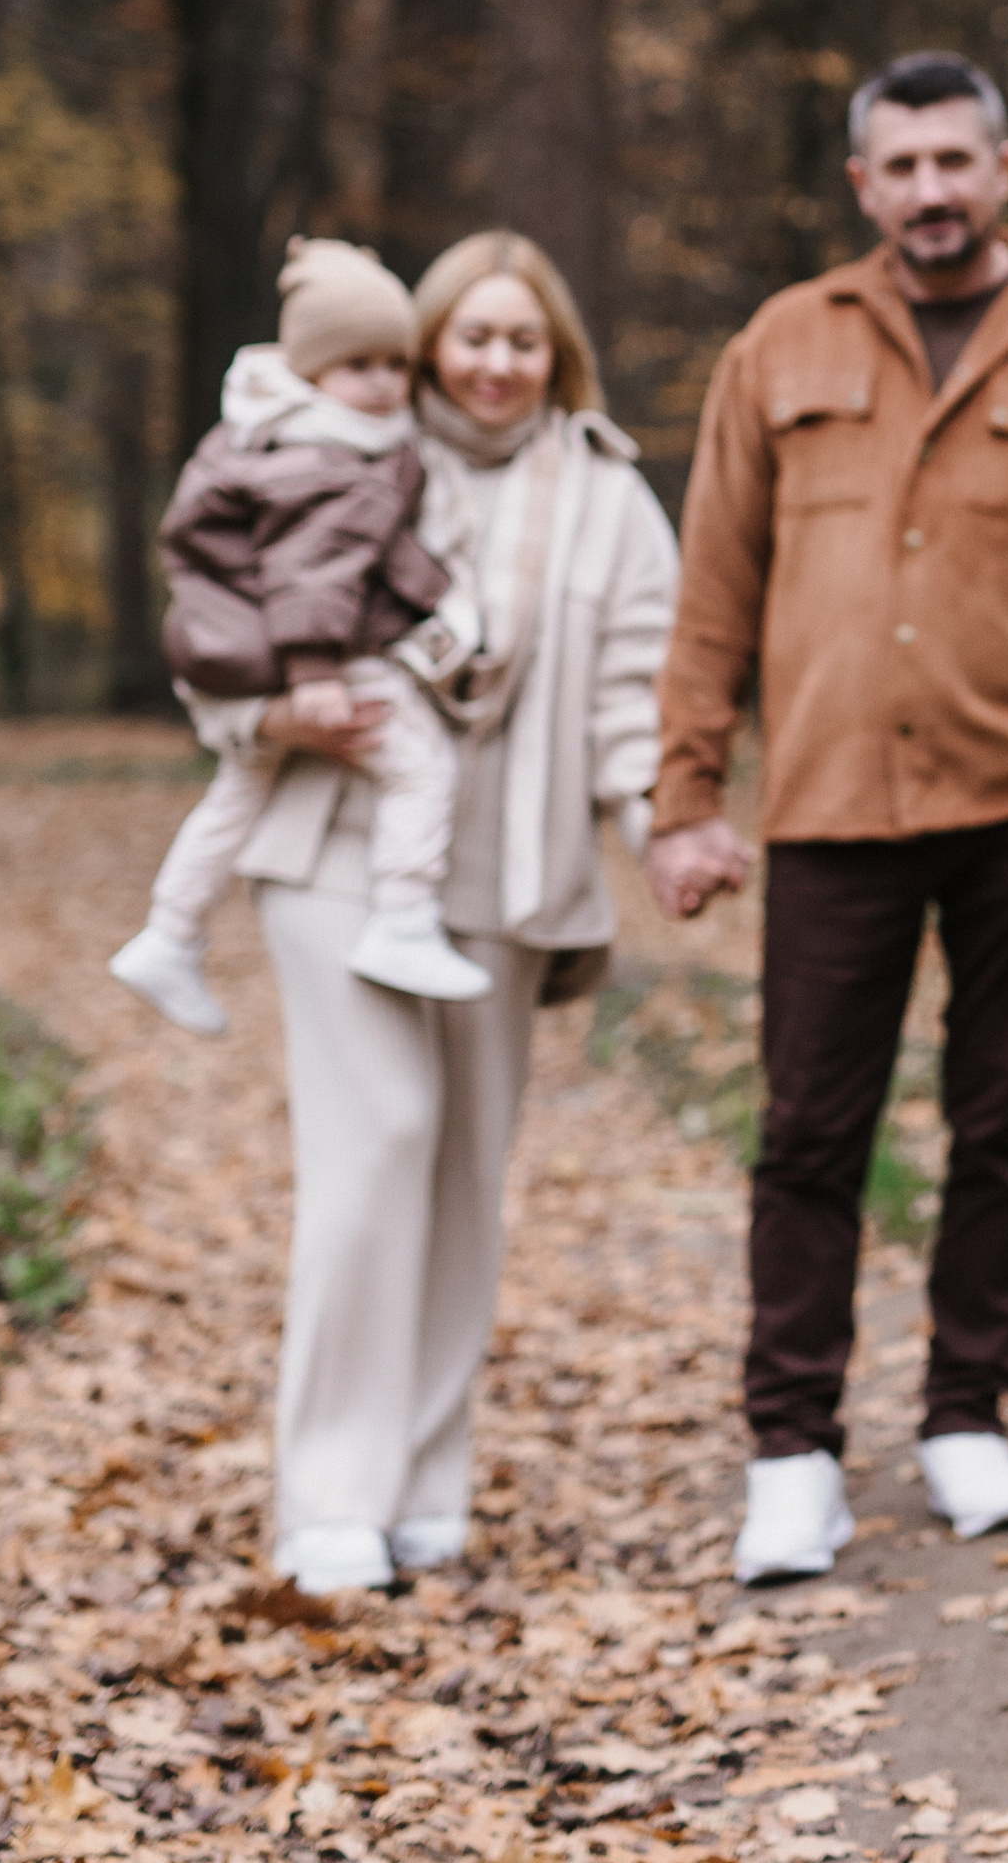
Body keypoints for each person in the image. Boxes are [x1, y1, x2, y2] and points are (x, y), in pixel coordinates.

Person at [647, 51, 1008, 1586]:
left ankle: (968, 1416)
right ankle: (793, 1453)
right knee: (808, 1134)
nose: (930, 190)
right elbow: (714, 589)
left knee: (1001, 1127)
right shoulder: (781, 345)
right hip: (833, 804)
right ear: (863, 185)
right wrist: (686, 792)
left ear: (1003, 169)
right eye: (900, 167)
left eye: (955, 161)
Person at [172, 228, 678, 1598]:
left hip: (510, 879)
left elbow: (636, 695)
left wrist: (662, 827)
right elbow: (212, 615)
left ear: (555, 352)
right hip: (338, 851)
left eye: (524, 339)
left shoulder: (610, 498)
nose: (496, 363)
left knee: (464, 1177)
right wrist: (272, 716)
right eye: (473, 336)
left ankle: (422, 1479)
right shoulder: (339, 444)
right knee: (380, 1139)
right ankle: (329, 1496)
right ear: (428, 344)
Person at [109, 238, 490, 1035]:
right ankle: (404, 917)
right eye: (359, 364)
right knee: (421, 766)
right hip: (327, 656)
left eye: (396, 363)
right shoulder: (334, 453)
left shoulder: (266, 429)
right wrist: (315, 671)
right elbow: (312, 569)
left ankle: (169, 931)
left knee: (238, 791)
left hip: (265, 651)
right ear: (313, 370)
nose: (382, 382)